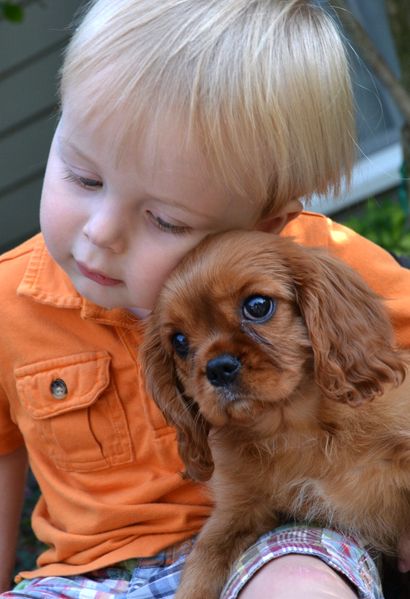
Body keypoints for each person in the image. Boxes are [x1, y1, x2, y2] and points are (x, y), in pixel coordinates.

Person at [0, 0, 409, 597]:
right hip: (81, 576)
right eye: (84, 177)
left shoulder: (314, 256)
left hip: (281, 537)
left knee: (299, 582)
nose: (100, 233)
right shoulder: (8, 300)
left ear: (262, 224)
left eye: (164, 219)